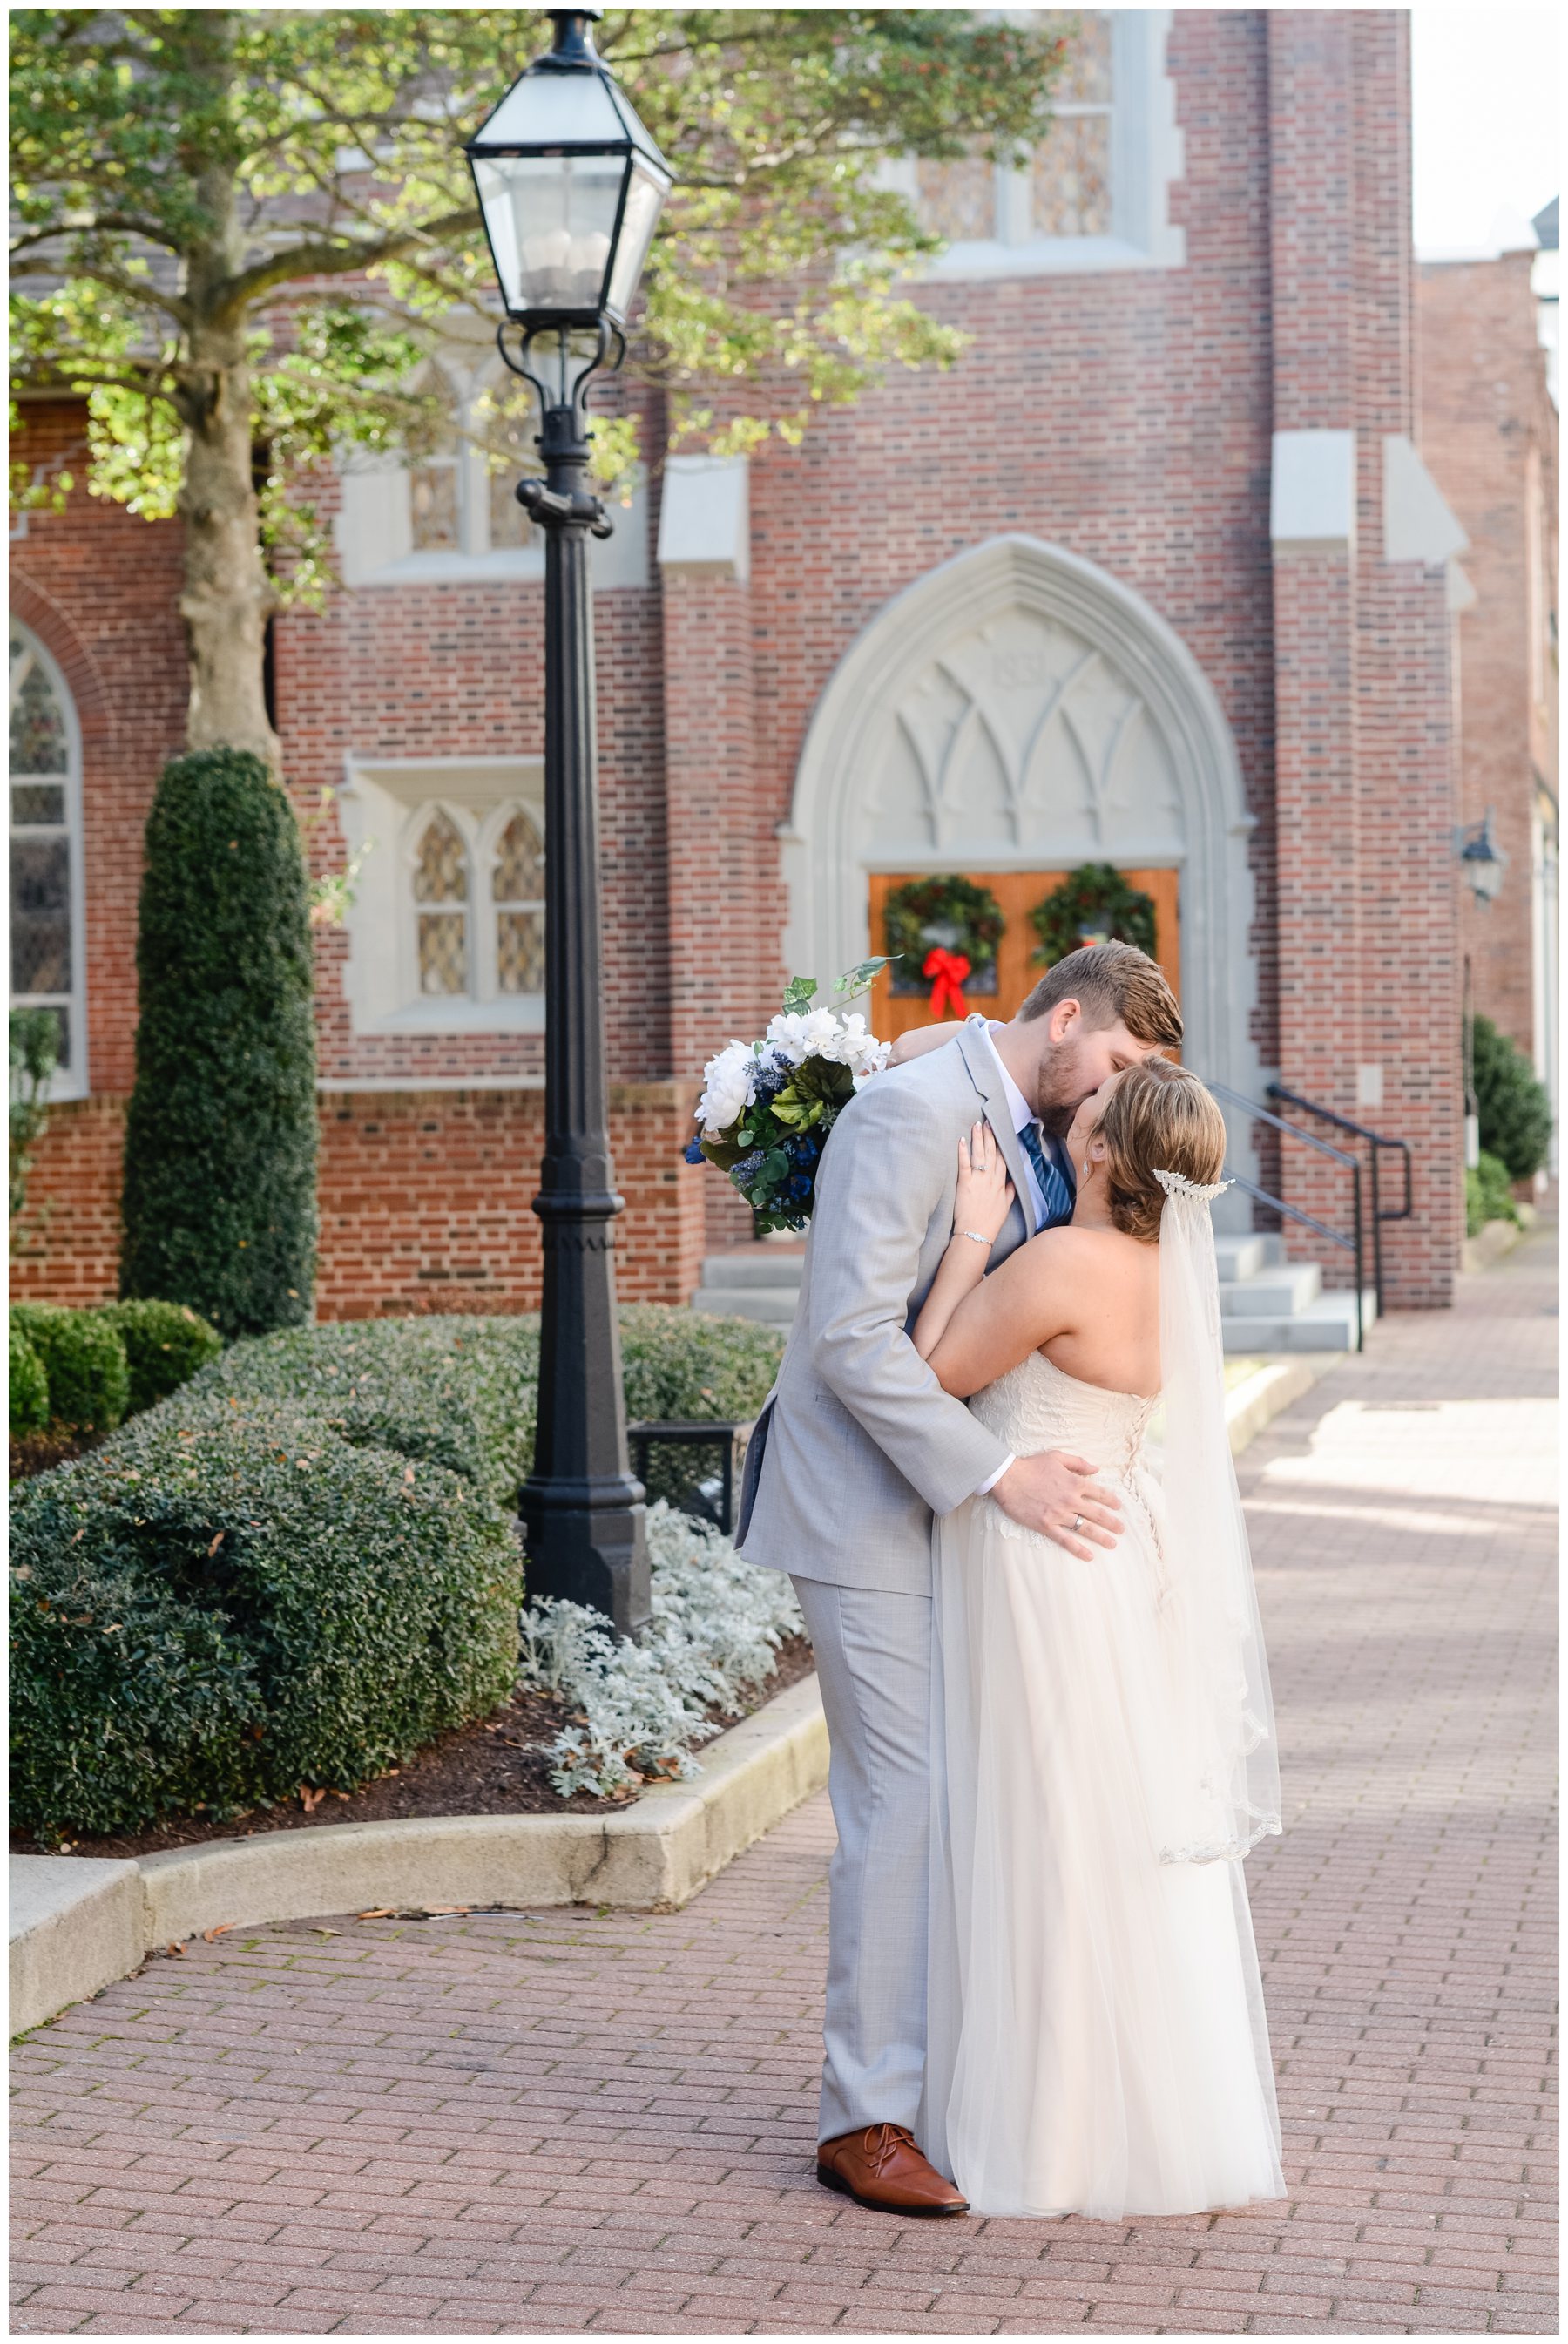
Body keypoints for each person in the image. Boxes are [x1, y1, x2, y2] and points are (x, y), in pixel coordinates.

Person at [736, 941, 1184, 2216]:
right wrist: (997, 1475)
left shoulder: (1021, 1110)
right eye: (1113, 1063)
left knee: (953, 1794)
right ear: (1064, 1023)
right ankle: (864, 2116)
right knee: (907, 1801)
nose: (1111, 1096)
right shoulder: (908, 1115)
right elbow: (851, 1340)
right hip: (866, 1511)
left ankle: (925, 2081)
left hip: (948, 1520)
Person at [912, 1058, 1285, 2218]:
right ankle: (1139, 2119)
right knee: (1100, 1840)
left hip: (1040, 1568)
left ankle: (1049, 2132)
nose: (1082, 1108)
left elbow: (925, 1379)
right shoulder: (1164, 1280)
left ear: (1103, 1153)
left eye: (1098, 1111)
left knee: (1041, 1838)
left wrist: (973, 1237)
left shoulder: (1062, 1263)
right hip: (1115, 1566)